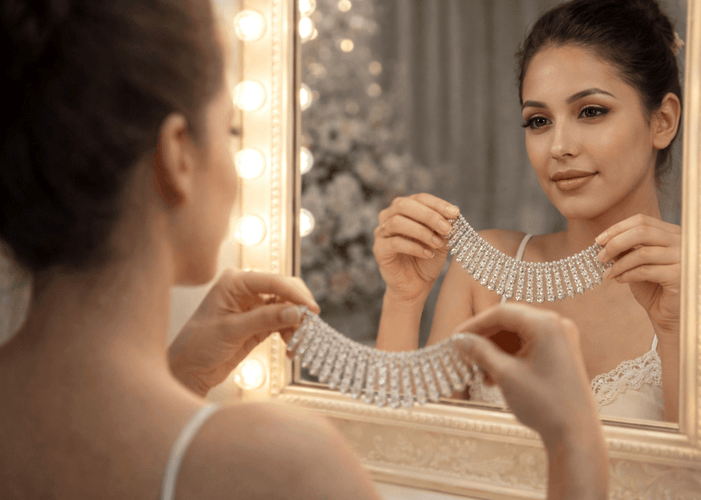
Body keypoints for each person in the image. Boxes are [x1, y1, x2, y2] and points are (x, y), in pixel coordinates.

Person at [0, 0, 608, 498]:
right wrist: (575, 444)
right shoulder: (279, 468)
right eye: (233, 131)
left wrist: (179, 375)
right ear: (178, 156)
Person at [374, 0, 681, 423]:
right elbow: (406, 460)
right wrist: (403, 300)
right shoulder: (486, 269)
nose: (559, 147)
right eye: (538, 120)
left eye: (591, 112)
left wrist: (677, 331)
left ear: (662, 120)